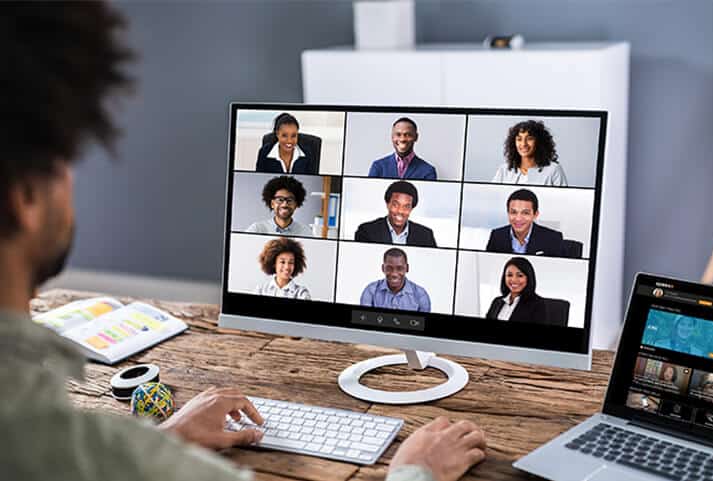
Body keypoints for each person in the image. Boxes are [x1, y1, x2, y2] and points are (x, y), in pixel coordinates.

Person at [0, 4, 486, 481]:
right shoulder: (50, 442)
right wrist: (416, 472)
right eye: (66, 162)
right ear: (25, 194)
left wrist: (165, 442)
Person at [485, 189, 567, 257]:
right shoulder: (496, 236)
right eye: (513, 212)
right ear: (508, 213)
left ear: (535, 215)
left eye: (525, 213)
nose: (518, 218)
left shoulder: (553, 238)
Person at [355, 181, 437, 247]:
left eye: (406, 206)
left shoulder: (425, 235)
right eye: (395, 205)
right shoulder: (366, 232)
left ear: (412, 208)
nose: (400, 211)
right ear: (387, 204)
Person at [491, 120, 568, 186]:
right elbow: (493, 196)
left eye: (529, 139)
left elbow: (563, 200)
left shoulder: (553, 170)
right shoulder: (504, 170)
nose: (523, 144)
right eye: (519, 139)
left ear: (539, 142)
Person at [360, 248, 431, 312]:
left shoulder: (420, 295)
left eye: (400, 268)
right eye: (389, 268)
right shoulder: (370, 291)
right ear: (383, 268)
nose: (394, 274)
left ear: (407, 268)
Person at [368, 117, 437, 180]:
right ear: (392, 137)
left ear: (416, 137)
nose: (402, 139)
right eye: (398, 134)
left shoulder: (428, 171)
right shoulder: (378, 167)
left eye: (408, 135)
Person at [484, 257, 549, 324]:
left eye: (520, 275)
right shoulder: (497, 301)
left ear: (528, 278)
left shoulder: (537, 304)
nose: (514, 280)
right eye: (509, 275)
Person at [245, 176, 312, 236]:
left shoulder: (306, 232)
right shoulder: (256, 229)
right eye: (280, 199)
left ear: (296, 205)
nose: (285, 204)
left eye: (290, 200)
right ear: (272, 204)